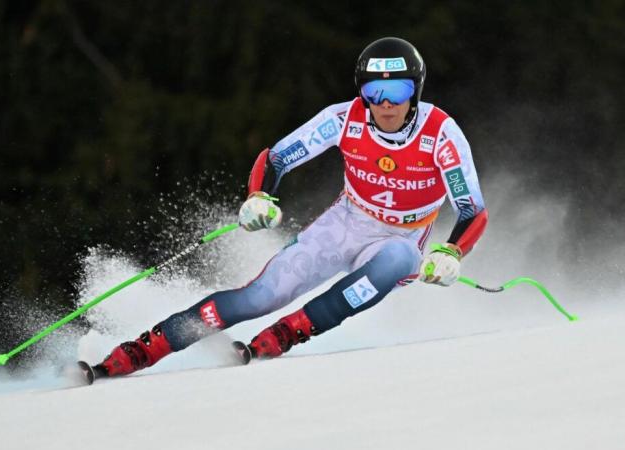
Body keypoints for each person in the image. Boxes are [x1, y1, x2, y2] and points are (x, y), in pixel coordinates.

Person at [88, 37, 488, 378]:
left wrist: (451, 251)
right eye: (373, 93)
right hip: (346, 223)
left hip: (400, 237)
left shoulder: (440, 135)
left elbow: (472, 210)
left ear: (415, 90)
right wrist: (258, 196)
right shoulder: (342, 119)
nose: (386, 105)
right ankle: (148, 347)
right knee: (258, 298)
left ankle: (291, 331)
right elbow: (275, 159)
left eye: (398, 92)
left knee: (401, 258)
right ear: (361, 93)